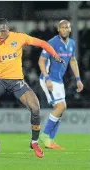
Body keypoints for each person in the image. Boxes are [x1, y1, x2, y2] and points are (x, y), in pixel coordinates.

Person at [0, 18, 64, 158]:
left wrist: (54, 54)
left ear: (8, 29)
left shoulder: (19, 37)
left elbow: (41, 43)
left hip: (17, 82)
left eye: (2, 31)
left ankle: (34, 142)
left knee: (35, 108)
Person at [38, 20, 83, 149]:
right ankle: (45, 135)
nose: (64, 30)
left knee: (61, 110)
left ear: (70, 30)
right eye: (62, 28)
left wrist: (78, 79)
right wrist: (46, 78)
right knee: (61, 106)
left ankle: (50, 141)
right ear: (58, 29)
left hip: (59, 80)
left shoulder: (72, 44)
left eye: (66, 28)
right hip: (49, 79)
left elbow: (73, 61)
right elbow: (41, 61)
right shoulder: (52, 43)